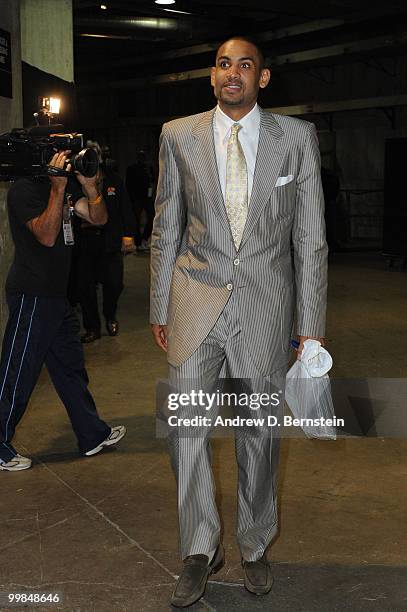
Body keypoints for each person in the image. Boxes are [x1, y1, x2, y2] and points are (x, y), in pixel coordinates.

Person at [150, 37, 328, 607]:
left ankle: (253, 544)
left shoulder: (296, 138)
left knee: (258, 433)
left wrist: (311, 322)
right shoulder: (177, 135)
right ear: (212, 76)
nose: (233, 74)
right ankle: (199, 549)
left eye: (244, 65)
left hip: (265, 307)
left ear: (263, 78)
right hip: (194, 300)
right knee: (187, 429)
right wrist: (160, 306)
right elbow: (165, 227)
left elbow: (311, 238)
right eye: (224, 64)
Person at [0, 149, 126, 472]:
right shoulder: (24, 191)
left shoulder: (66, 187)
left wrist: (90, 187)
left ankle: (91, 434)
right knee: (18, 373)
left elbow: (99, 218)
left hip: (57, 297)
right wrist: (57, 190)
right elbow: (46, 235)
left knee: (71, 369)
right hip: (32, 294)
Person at [77, 141, 136, 343]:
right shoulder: (76, 182)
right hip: (84, 243)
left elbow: (125, 208)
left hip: (109, 241)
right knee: (85, 288)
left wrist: (128, 236)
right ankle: (92, 327)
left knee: (114, 284)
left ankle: (110, 315)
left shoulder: (114, 181)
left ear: (100, 158)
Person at [126, 150, 154, 252]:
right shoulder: (132, 168)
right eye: (141, 157)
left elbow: (153, 181)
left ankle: (145, 239)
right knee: (136, 220)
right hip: (136, 198)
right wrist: (131, 198)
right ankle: (138, 242)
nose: (143, 159)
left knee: (152, 217)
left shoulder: (148, 168)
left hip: (147, 197)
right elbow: (128, 184)